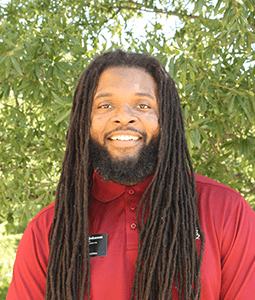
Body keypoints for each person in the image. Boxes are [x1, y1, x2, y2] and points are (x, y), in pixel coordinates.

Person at [7, 50, 255, 300]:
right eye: (105, 105)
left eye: (143, 105)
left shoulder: (226, 211)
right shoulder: (49, 230)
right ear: (85, 121)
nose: (124, 116)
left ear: (166, 119)